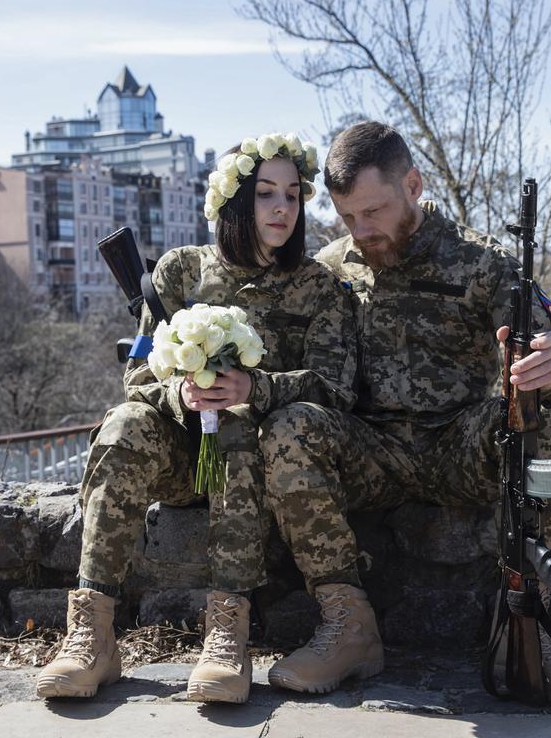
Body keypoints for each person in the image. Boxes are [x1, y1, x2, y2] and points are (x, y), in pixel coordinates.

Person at [258, 121, 551, 702]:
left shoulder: (481, 260)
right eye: (347, 218)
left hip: (459, 445)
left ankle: (528, 622)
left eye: (374, 211)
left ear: (412, 184)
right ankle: (347, 626)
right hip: (370, 450)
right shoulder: (334, 267)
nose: (361, 231)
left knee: (545, 416)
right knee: (289, 427)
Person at [36, 133, 356, 705]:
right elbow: (137, 379)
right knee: (122, 425)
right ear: (234, 201)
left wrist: (253, 388)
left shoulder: (320, 288)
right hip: (184, 458)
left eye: (292, 194)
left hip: (262, 461)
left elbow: (336, 387)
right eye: (264, 194)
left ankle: (226, 633)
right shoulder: (179, 273)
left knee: (234, 420)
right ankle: (92, 633)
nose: (282, 207)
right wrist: (182, 393)